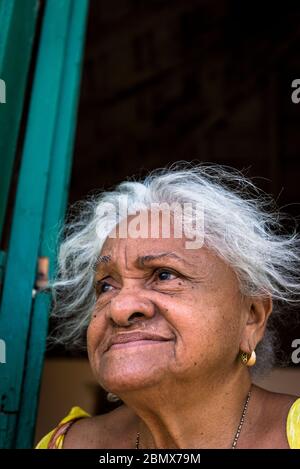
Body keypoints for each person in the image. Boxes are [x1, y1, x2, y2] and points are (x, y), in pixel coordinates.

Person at [36, 163, 300, 449]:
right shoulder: (66, 445)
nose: (120, 308)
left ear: (252, 317)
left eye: (164, 275)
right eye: (106, 286)